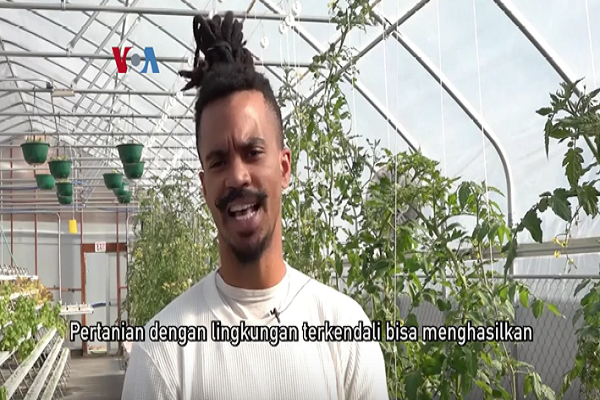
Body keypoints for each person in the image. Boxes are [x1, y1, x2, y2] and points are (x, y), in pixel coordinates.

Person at [120, 11, 388, 400]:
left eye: (252, 152)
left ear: (284, 168)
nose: (237, 176)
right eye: (218, 162)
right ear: (204, 186)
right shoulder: (163, 354)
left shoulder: (346, 334)